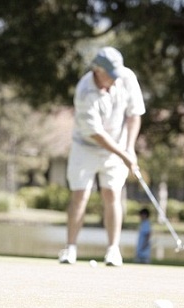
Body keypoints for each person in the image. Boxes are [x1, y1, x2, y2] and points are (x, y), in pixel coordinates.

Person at [59, 47, 146, 266]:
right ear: (97, 71)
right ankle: (70, 249)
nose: (115, 80)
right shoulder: (84, 91)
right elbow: (96, 133)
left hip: (118, 143)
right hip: (86, 146)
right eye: (110, 75)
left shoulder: (126, 77)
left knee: (112, 194)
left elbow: (134, 114)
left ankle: (113, 250)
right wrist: (123, 153)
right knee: (80, 195)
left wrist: (130, 147)